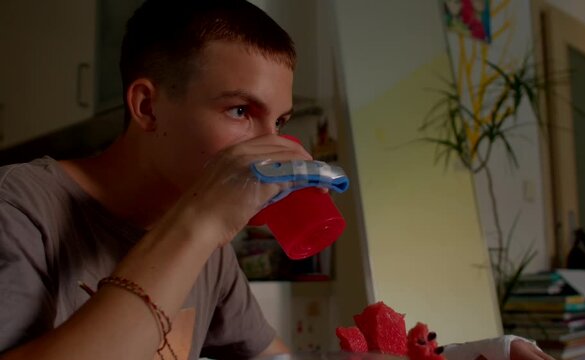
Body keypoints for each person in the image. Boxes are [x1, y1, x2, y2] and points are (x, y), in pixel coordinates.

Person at [0, 1, 552, 359]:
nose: (275, 146)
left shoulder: (212, 253)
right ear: (147, 107)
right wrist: (199, 222)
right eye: (240, 111)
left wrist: (482, 352)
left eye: (280, 122)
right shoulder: (19, 206)